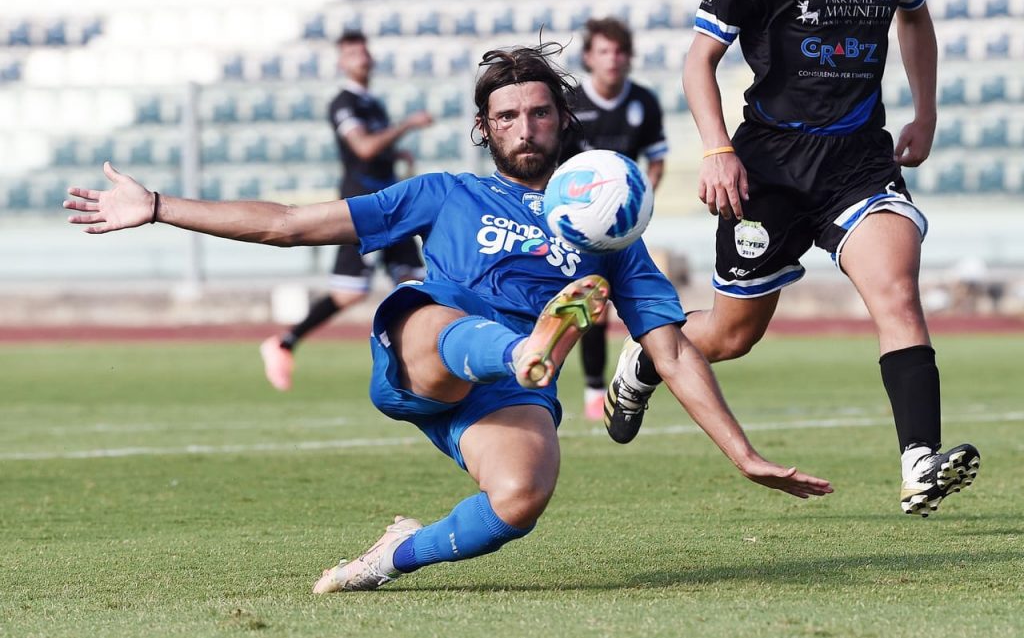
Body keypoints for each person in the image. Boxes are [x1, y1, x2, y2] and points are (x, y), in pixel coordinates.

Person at [65, 43, 831, 593]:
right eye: (507, 116)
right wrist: (159, 207)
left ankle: (394, 555)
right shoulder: (443, 195)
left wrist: (742, 453)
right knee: (439, 325)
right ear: (486, 129)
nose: (524, 126)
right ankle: (526, 344)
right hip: (423, 352)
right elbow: (289, 223)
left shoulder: (612, 235)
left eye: (537, 112)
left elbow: (672, 350)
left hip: (509, 389)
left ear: (562, 120)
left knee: (522, 500)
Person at [603, 0, 979, 517]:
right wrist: (716, 150)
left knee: (897, 293)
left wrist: (927, 113)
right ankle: (647, 356)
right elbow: (699, 61)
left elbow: (915, 15)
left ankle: (919, 461)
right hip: (768, 169)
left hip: (859, 163)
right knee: (735, 335)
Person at [259, 30, 433, 391]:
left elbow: (375, 151)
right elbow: (364, 148)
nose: (362, 57)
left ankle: (424, 360)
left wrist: (396, 154)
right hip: (364, 209)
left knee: (416, 280)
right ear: (341, 61)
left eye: (364, 50)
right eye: (353, 52)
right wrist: (406, 126)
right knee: (351, 291)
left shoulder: (373, 103)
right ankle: (282, 343)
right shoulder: (344, 102)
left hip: (390, 204)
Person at [562, 17, 669, 421]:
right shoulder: (571, 104)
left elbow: (656, 158)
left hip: (623, 224)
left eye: (620, 51)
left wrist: (643, 201)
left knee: (616, 301)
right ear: (588, 57)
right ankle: (592, 388)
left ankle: (621, 379)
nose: (613, 59)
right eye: (604, 51)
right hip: (575, 223)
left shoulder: (644, 101)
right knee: (589, 303)